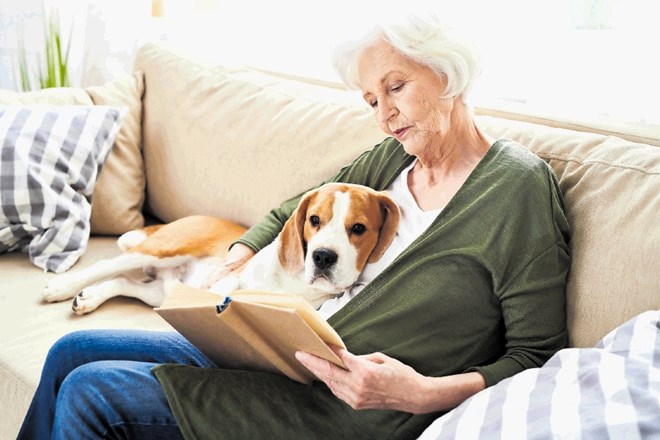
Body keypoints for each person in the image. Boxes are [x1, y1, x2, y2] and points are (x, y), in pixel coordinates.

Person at [18, 14, 570, 439]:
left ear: (448, 71)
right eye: (373, 100)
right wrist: (237, 256)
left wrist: (421, 393)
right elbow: (293, 210)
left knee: (93, 392)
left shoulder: (516, 188)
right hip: (283, 359)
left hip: (341, 411)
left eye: (395, 88)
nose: (384, 115)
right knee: (72, 350)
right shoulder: (390, 161)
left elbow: (537, 354)